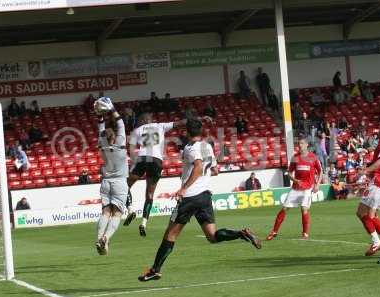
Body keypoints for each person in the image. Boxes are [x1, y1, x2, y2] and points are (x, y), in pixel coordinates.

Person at [137, 119, 261, 282]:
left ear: (186, 132)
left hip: (190, 197)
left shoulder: (191, 148)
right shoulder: (207, 146)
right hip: (204, 196)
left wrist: (183, 188)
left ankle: (155, 270)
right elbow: (215, 170)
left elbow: (198, 167)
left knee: (170, 234)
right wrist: (205, 172)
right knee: (212, 236)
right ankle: (241, 233)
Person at [125, 113, 209, 236]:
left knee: (125, 185)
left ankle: (130, 209)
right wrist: (199, 118)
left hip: (143, 158)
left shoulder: (137, 130)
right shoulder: (160, 125)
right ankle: (143, 223)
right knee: (149, 194)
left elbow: (130, 148)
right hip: (156, 161)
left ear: (142, 120)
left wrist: (134, 160)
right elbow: (182, 122)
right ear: (151, 120)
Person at [355, 113, 380, 263]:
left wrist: (367, 170)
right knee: (365, 213)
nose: (377, 125)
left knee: (367, 214)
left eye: (379, 123)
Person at [266, 137, 322, 240]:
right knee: (284, 208)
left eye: (301, 143)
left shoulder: (313, 157)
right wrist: (295, 180)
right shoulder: (295, 157)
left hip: (307, 188)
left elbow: (320, 171)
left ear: (306, 145)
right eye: (298, 144)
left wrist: (317, 184)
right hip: (296, 188)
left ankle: (305, 234)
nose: (299, 145)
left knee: (304, 208)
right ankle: (274, 232)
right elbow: (289, 172)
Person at [95, 97, 129, 255]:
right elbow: (121, 123)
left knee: (105, 212)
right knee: (117, 213)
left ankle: (98, 238)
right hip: (120, 182)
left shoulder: (102, 144)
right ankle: (106, 238)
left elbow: (100, 129)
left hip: (106, 182)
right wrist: (112, 109)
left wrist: (100, 115)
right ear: (114, 137)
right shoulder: (120, 144)